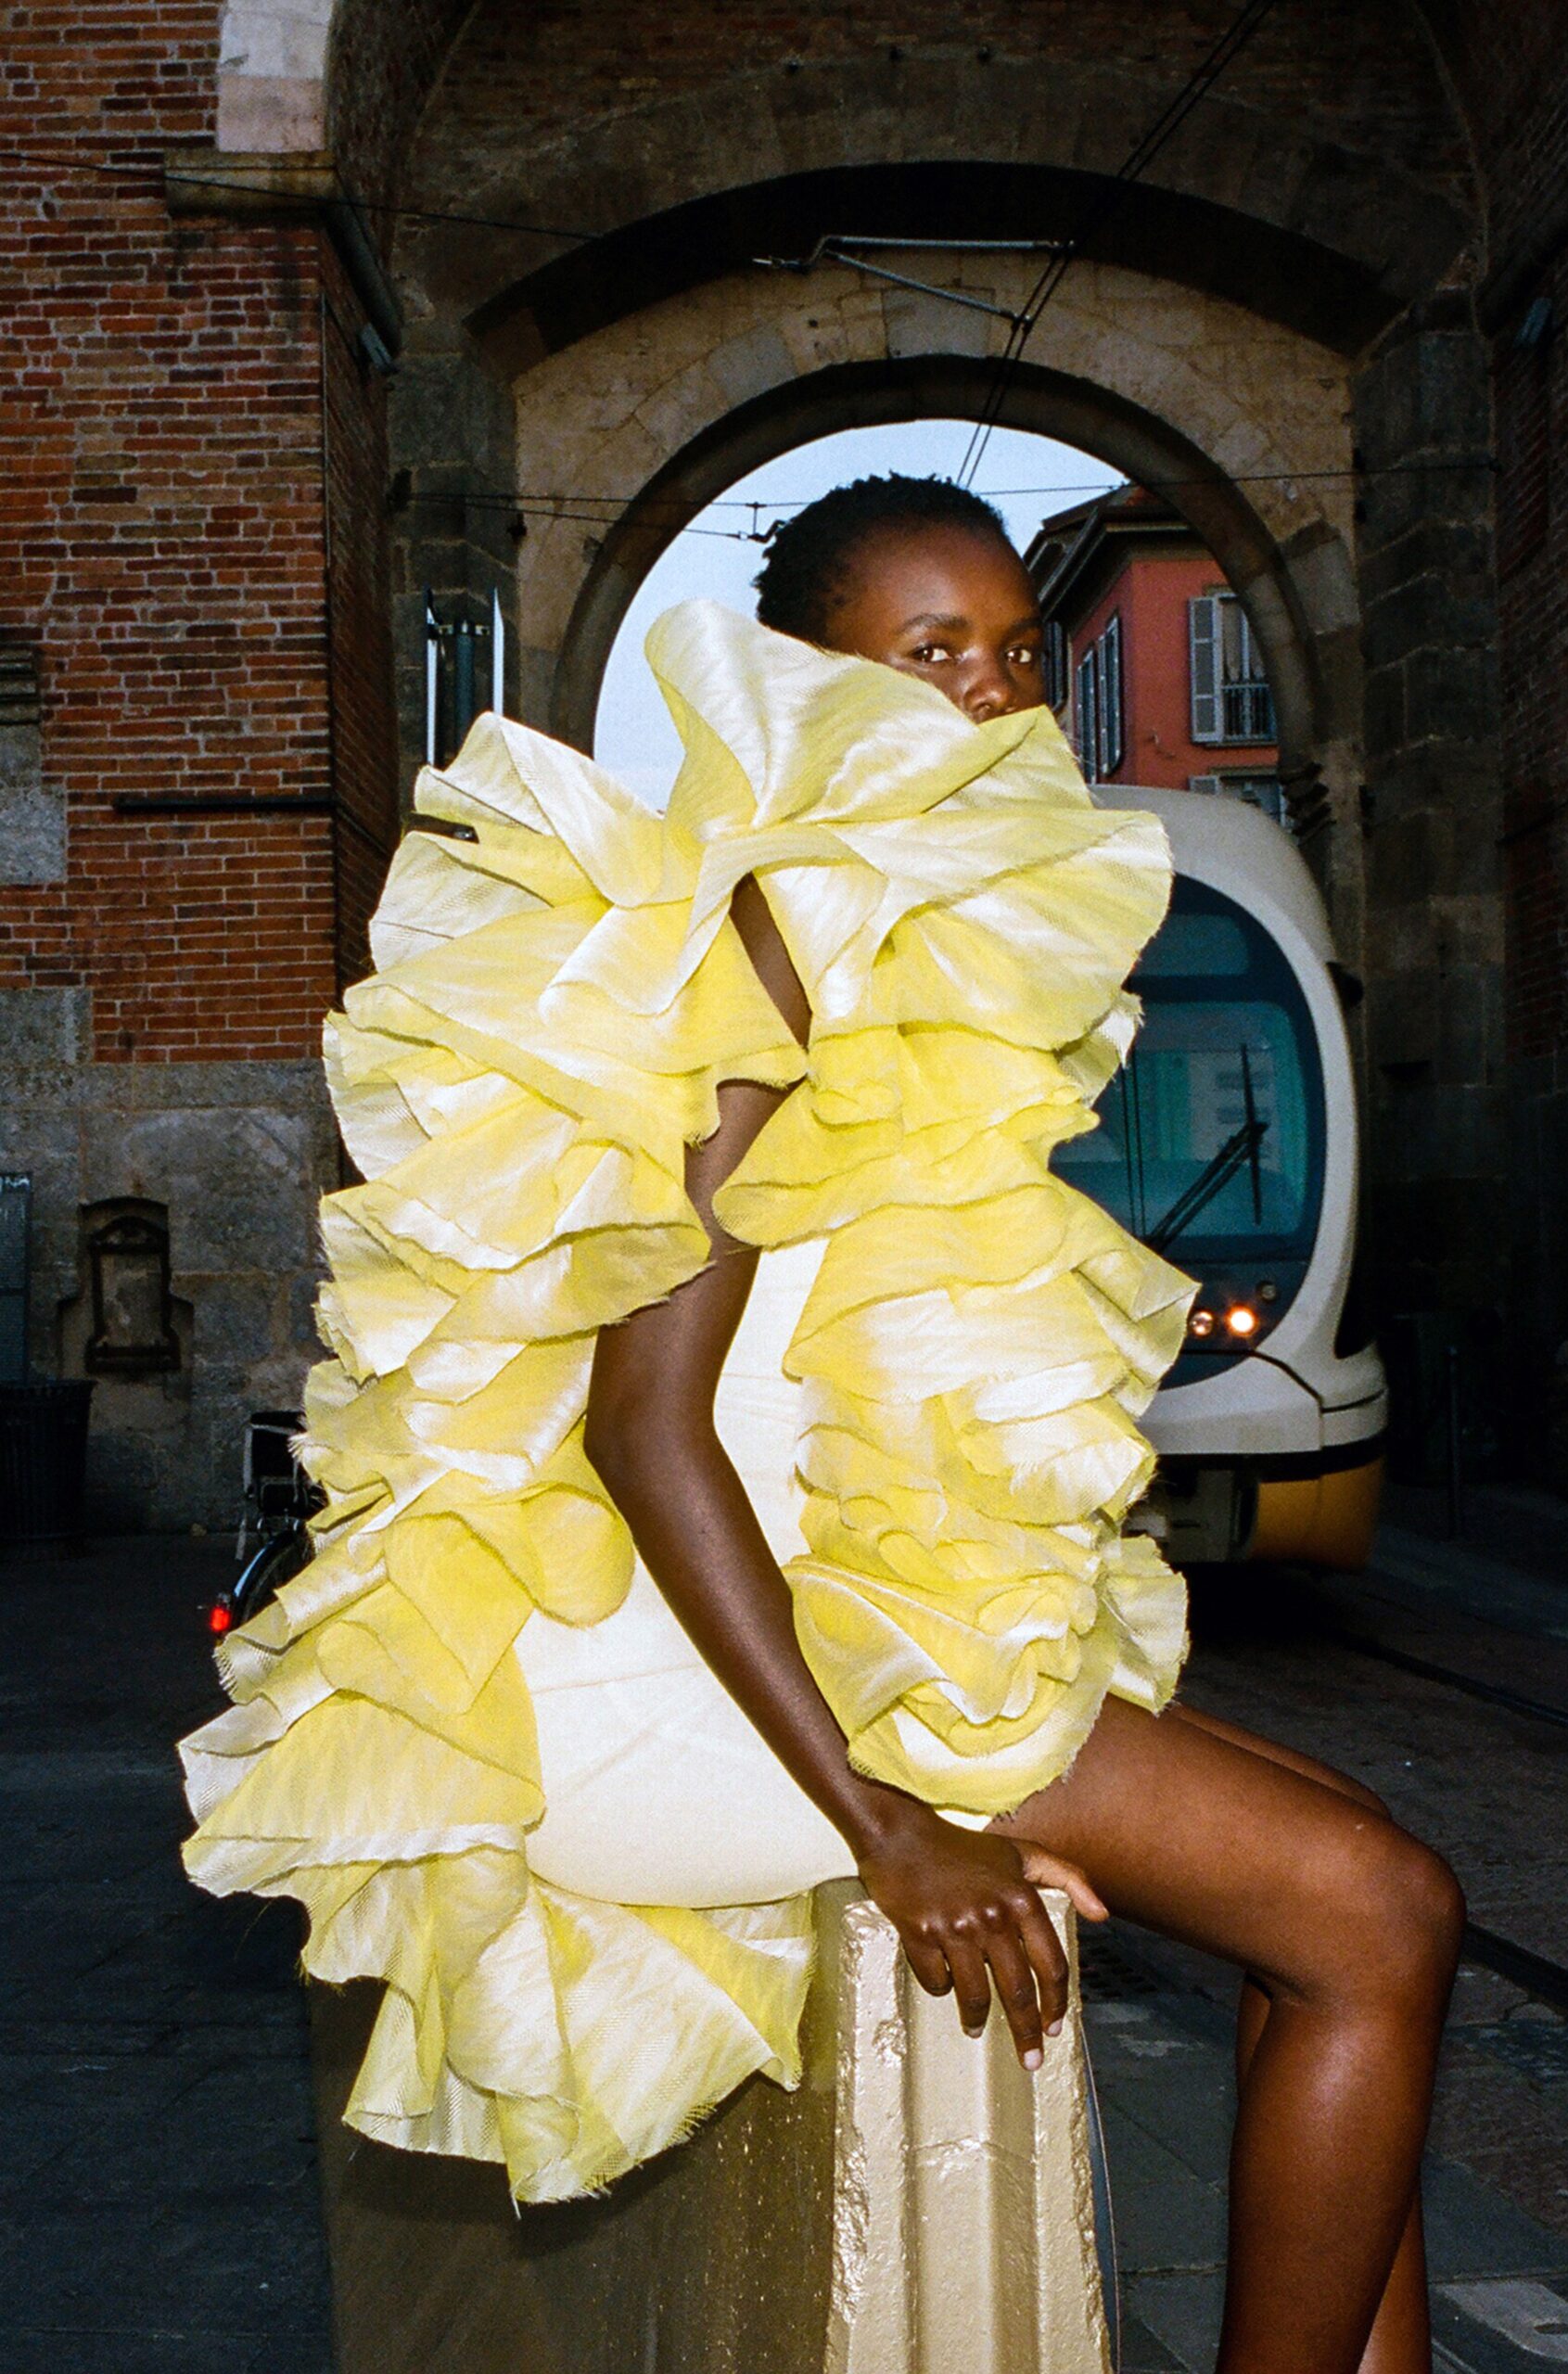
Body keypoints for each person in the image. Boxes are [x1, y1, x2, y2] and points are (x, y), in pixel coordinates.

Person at [183, 475, 1462, 2374]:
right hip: (665, 1668)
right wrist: (882, 1825)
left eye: (1014, 653)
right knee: (1375, 1905)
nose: (987, 696)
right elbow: (645, 1422)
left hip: (825, 1620)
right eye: (925, 651)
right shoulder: (762, 929)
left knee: (1349, 1890)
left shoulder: (910, 930)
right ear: (799, 676)